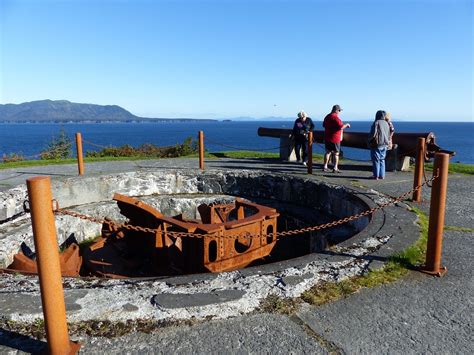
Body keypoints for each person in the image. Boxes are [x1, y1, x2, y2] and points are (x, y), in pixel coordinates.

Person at [322, 105, 350, 173]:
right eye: (339, 111)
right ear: (337, 110)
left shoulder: (327, 116)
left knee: (327, 152)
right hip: (335, 138)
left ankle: (325, 166)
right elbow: (341, 127)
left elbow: (323, 125)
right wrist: (346, 125)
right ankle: (335, 168)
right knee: (336, 153)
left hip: (327, 137)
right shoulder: (336, 117)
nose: (340, 112)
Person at [369, 110, 391, 179]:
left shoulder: (376, 122)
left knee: (376, 160)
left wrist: (369, 140)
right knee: (382, 160)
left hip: (377, 144)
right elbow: (388, 134)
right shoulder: (386, 123)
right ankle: (382, 175)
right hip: (385, 144)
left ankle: (376, 176)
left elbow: (373, 134)